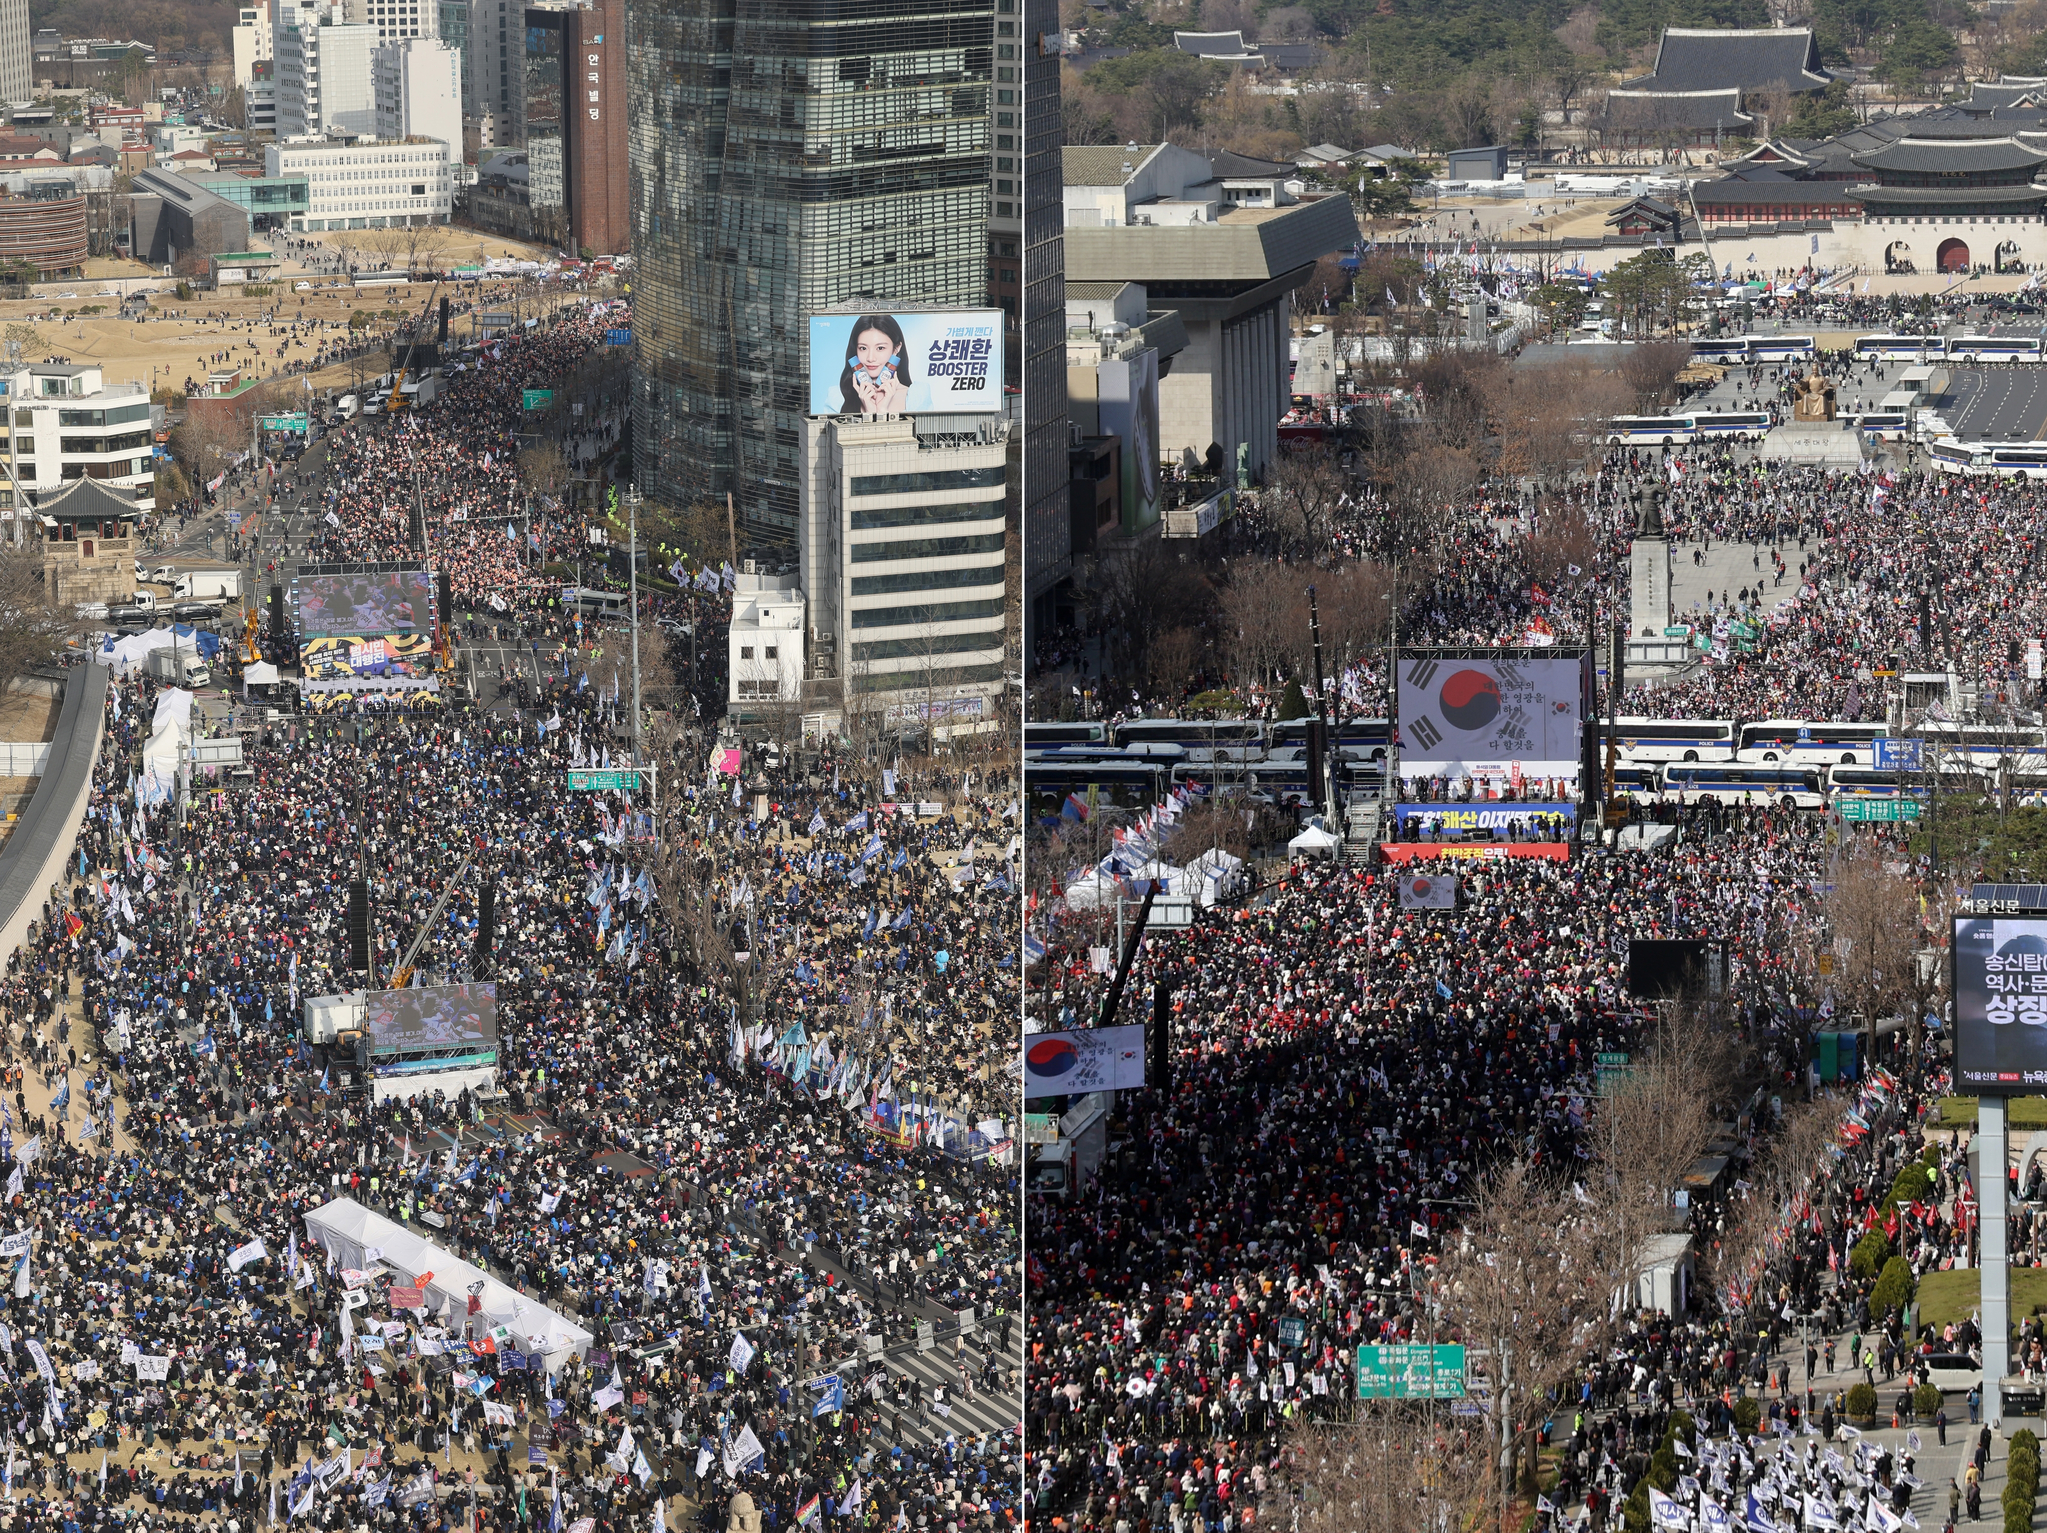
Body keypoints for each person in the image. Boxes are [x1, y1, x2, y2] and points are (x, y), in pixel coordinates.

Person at [835, 315, 914, 415]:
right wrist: (870, 412)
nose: (870, 358)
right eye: (863, 348)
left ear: (896, 348)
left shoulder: (915, 396)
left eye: (880, 348)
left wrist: (882, 411)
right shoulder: (837, 398)